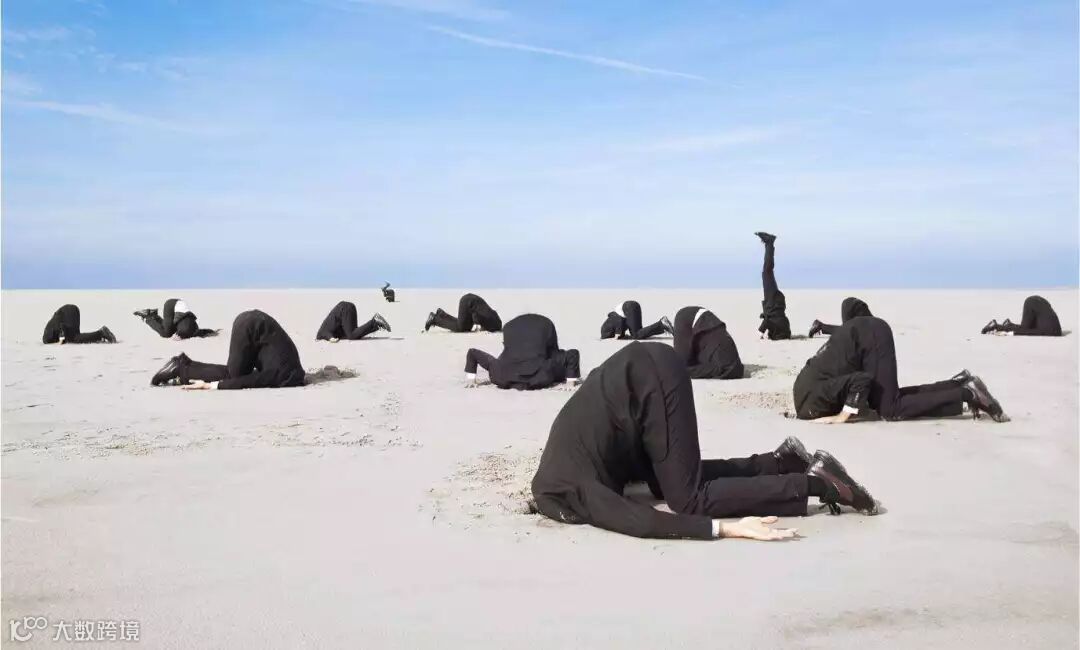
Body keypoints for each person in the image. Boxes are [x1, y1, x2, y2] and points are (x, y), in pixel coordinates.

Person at [530, 342, 878, 540]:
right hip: (634, 377)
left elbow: (635, 520)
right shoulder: (561, 464)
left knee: (688, 499)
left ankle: (820, 483)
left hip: (649, 381)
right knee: (664, 481)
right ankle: (780, 462)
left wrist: (725, 528)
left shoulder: (573, 488)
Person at [793, 316, 1008, 423]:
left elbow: (860, 380)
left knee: (890, 409)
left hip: (870, 337)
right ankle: (958, 384)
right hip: (864, 334)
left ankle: (968, 393)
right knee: (885, 399)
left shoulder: (814, 401)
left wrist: (842, 415)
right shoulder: (806, 394)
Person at [150, 310, 304, 390]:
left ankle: (183, 368)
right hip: (250, 327)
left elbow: (258, 377)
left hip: (254, 321)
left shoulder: (293, 372)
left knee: (240, 372)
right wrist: (214, 385)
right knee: (233, 375)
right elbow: (254, 381)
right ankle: (181, 367)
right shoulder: (283, 377)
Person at [464, 313, 581, 390]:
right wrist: (570, 382)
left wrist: (471, 379)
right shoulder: (547, 365)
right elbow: (573, 354)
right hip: (537, 376)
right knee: (556, 360)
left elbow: (472, 353)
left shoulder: (498, 369)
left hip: (505, 376)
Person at [672, 306, 744, 379]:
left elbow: (681, 363)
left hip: (725, 367)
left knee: (679, 369)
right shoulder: (691, 316)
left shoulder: (682, 318)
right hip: (735, 366)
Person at [755, 231, 791, 340]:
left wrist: (765, 316)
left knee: (767, 271)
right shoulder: (777, 328)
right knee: (767, 272)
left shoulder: (784, 329)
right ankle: (769, 243)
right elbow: (767, 323)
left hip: (776, 303)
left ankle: (769, 244)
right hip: (772, 301)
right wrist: (761, 333)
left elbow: (771, 320)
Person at [134, 298, 219, 340]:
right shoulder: (187, 330)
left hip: (179, 308)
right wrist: (179, 335)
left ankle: (153, 315)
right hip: (171, 306)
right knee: (166, 334)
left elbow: (203, 331)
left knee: (169, 331)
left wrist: (212, 332)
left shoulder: (193, 330)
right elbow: (184, 330)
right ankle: (147, 317)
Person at [981, 295, 1063, 337]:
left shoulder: (1052, 332)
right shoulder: (1052, 332)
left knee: (1026, 328)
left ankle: (1005, 325)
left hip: (1037, 303)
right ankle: (996, 326)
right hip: (1036, 304)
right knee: (1025, 329)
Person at [424, 293, 502, 333]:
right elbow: (476, 317)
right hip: (467, 302)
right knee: (461, 328)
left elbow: (483, 313)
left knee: (465, 326)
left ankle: (442, 314)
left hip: (472, 300)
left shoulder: (497, 321)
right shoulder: (490, 323)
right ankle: (434, 319)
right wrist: (478, 325)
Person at [316, 302, 391, 341]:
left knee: (351, 335)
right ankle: (377, 324)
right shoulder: (332, 330)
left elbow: (327, 335)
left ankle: (375, 322)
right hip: (346, 309)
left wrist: (331, 339)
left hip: (344, 309)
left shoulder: (322, 333)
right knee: (355, 334)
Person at [42, 304, 116, 344]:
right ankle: (100, 334)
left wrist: (62, 340)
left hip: (67, 312)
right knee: (76, 337)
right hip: (69, 311)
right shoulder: (49, 334)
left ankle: (101, 333)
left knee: (73, 338)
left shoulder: (47, 338)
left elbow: (60, 327)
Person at [599, 300, 673, 340]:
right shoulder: (611, 321)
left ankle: (661, 324)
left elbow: (619, 321)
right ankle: (663, 326)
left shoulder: (610, 321)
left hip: (628, 307)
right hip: (631, 307)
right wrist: (621, 335)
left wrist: (617, 334)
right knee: (640, 333)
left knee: (636, 335)